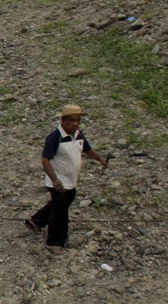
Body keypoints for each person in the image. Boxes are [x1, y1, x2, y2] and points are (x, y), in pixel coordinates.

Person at [27, 103, 108, 251]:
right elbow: (45, 160)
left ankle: (36, 221)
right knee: (60, 213)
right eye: (72, 120)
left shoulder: (78, 135)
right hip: (59, 182)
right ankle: (55, 242)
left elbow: (88, 150)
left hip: (71, 180)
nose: (75, 124)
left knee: (60, 203)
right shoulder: (54, 137)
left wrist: (100, 159)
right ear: (63, 121)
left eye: (78, 120)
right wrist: (55, 180)